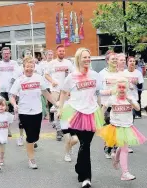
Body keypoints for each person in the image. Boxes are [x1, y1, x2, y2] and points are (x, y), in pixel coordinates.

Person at [58, 48, 105, 188]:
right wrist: (60, 108)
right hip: (76, 112)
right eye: (84, 57)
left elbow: (98, 94)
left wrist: (101, 108)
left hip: (92, 112)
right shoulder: (71, 77)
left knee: (86, 144)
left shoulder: (95, 75)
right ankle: (85, 177)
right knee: (84, 144)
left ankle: (81, 169)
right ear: (78, 59)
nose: (87, 59)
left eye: (88, 57)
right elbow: (63, 93)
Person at [9, 57, 57, 169]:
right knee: (30, 136)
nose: (29, 69)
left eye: (31, 66)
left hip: (37, 111)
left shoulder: (39, 78)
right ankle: (31, 159)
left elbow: (45, 92)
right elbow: (12, 95)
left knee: (35, 136)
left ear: (34, 68)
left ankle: (31, 142)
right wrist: (14, 104)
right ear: (24, 67)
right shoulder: (19, 80)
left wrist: (55, 103)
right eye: (27, 67)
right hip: (24, 112)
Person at [99, 77, 146, 181]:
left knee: (122, 147)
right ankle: (125, 173)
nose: (121, 89)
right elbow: (104, 108)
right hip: (115, 127)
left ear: (127, 88)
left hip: (127, 127)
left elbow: (138, 108)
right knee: (124, 148)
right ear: (116, 88)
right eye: (119, 87)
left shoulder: (130, 98)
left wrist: (131, 102)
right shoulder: (112, 98)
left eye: (123, 87)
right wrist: (100, 119)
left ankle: (116, 159)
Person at [44, 45, 75, 141]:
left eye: (63, 51)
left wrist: (71, 89)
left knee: (66, 108)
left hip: (66, 91)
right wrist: (52, 81)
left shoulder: (68, 63)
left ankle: (66, 126)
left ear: (64, 52)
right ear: (57, 52)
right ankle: (58, 130)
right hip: (55, 90)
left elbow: (73, 74)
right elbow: (46, 74)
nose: (61, 52)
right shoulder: (52, 63)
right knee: (57, 108)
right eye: (60, 51)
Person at [99, 51, 120, 158]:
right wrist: (110, 92)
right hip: (106, 105)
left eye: (116, 59)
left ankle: (114, 148)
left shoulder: (120, 73)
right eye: (113, 59)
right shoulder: (102, 74)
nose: (115, 61)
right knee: (108, 128)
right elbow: (98, 91)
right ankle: (107, 147)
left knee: (117, 127)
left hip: (118, 105)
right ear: (107, 61)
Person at [0, 47, 19, 113]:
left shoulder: (15, 63)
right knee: (2, 108)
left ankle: (10, 121)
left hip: (12, 90)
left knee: (12, 109)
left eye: (8, 53)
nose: (6, 55)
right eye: (5, 53)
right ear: (2, 54)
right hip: (1, 90)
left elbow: (19, 75)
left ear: (10, 54)